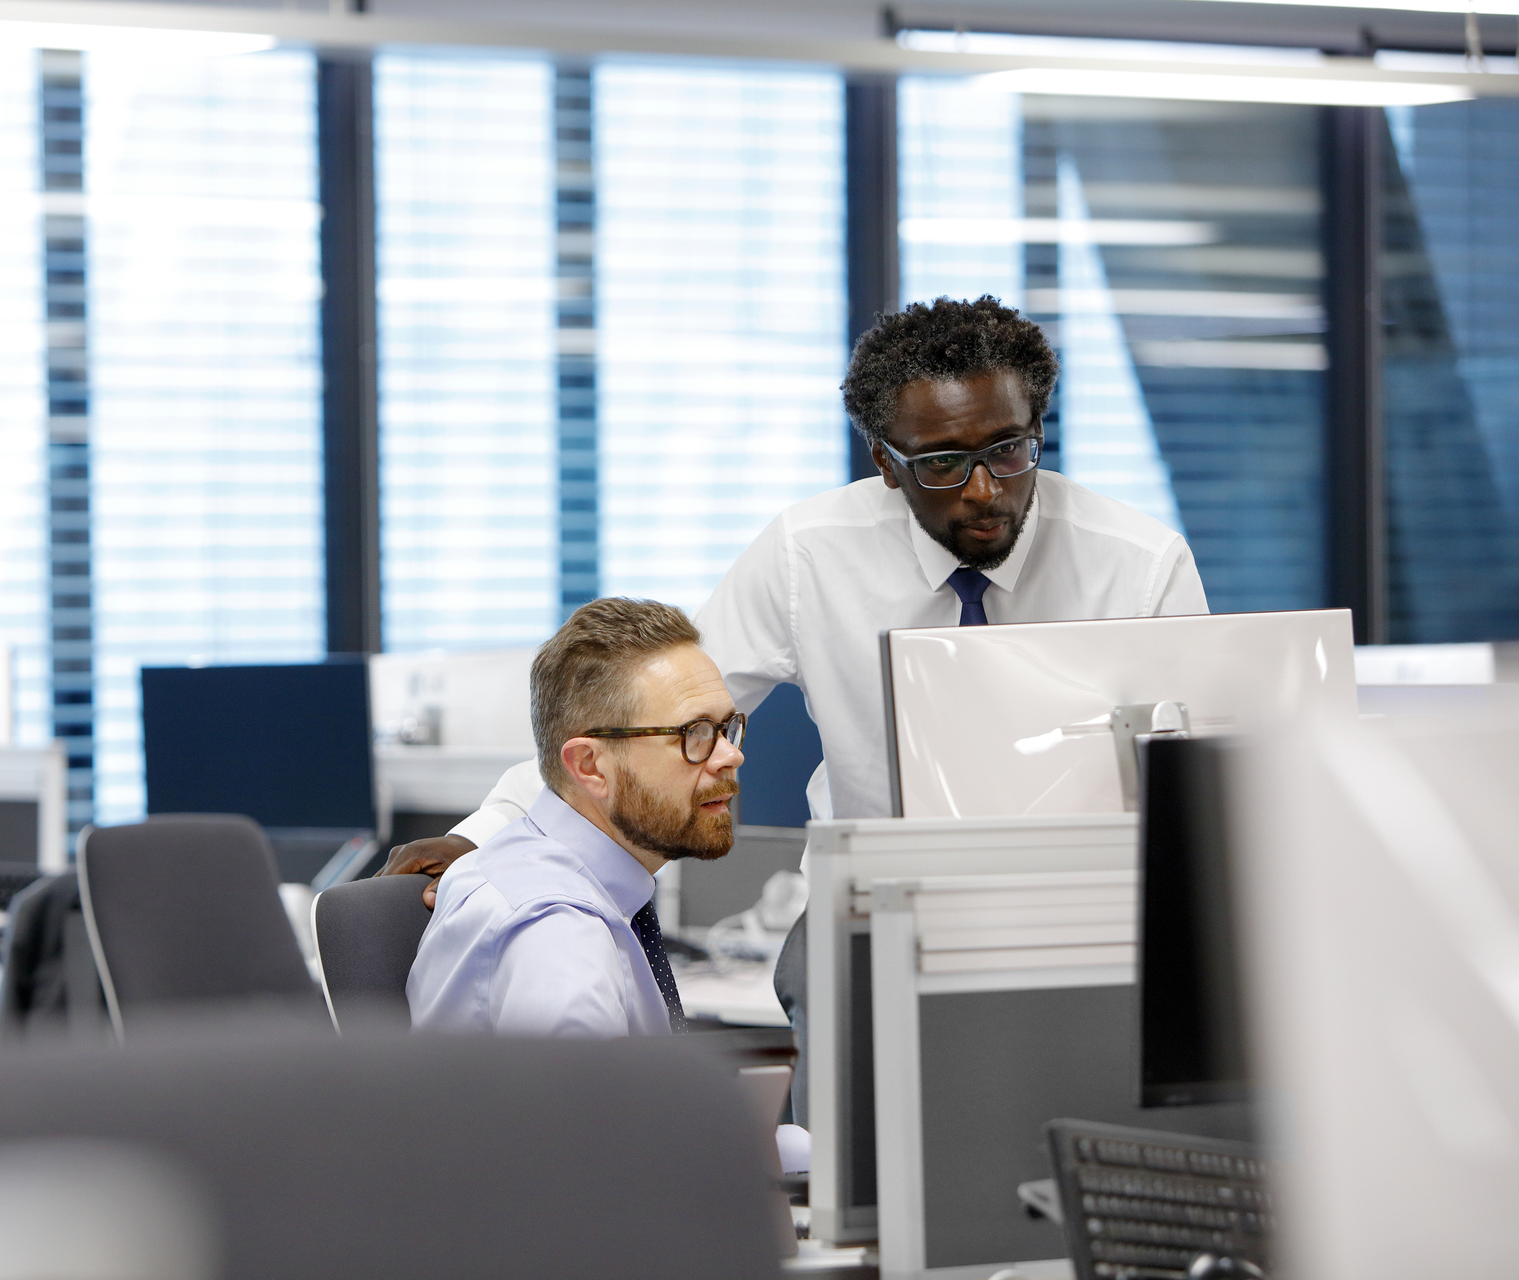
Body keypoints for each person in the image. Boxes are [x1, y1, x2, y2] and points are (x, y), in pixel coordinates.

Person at [387, 297, 1208, 1103]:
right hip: (874, 916)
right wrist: (495, 835)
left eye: (1009, 450)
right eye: (941, 463)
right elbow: (654, 705)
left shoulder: (1138, 564)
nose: (984, 490)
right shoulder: (809, 553)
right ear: (885, 462)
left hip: (1083, 922)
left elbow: (1208, 782)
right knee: (850, 1173)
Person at [407, 597, 745, 1037]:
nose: (732, 754)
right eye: (694, 733)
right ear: (589, 766)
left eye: (727, 727)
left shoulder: (577, 888)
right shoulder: (558, 938)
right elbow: (589, 1108)